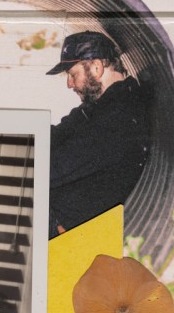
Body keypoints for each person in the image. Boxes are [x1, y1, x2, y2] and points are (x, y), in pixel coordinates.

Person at [47, 31, 152, 238]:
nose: (69, 84)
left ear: (96, 67)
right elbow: (56, 134)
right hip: (56, 211)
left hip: (64, 228)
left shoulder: (119, 116)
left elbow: (54, 169)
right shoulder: (102, 106)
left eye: (73, 75)